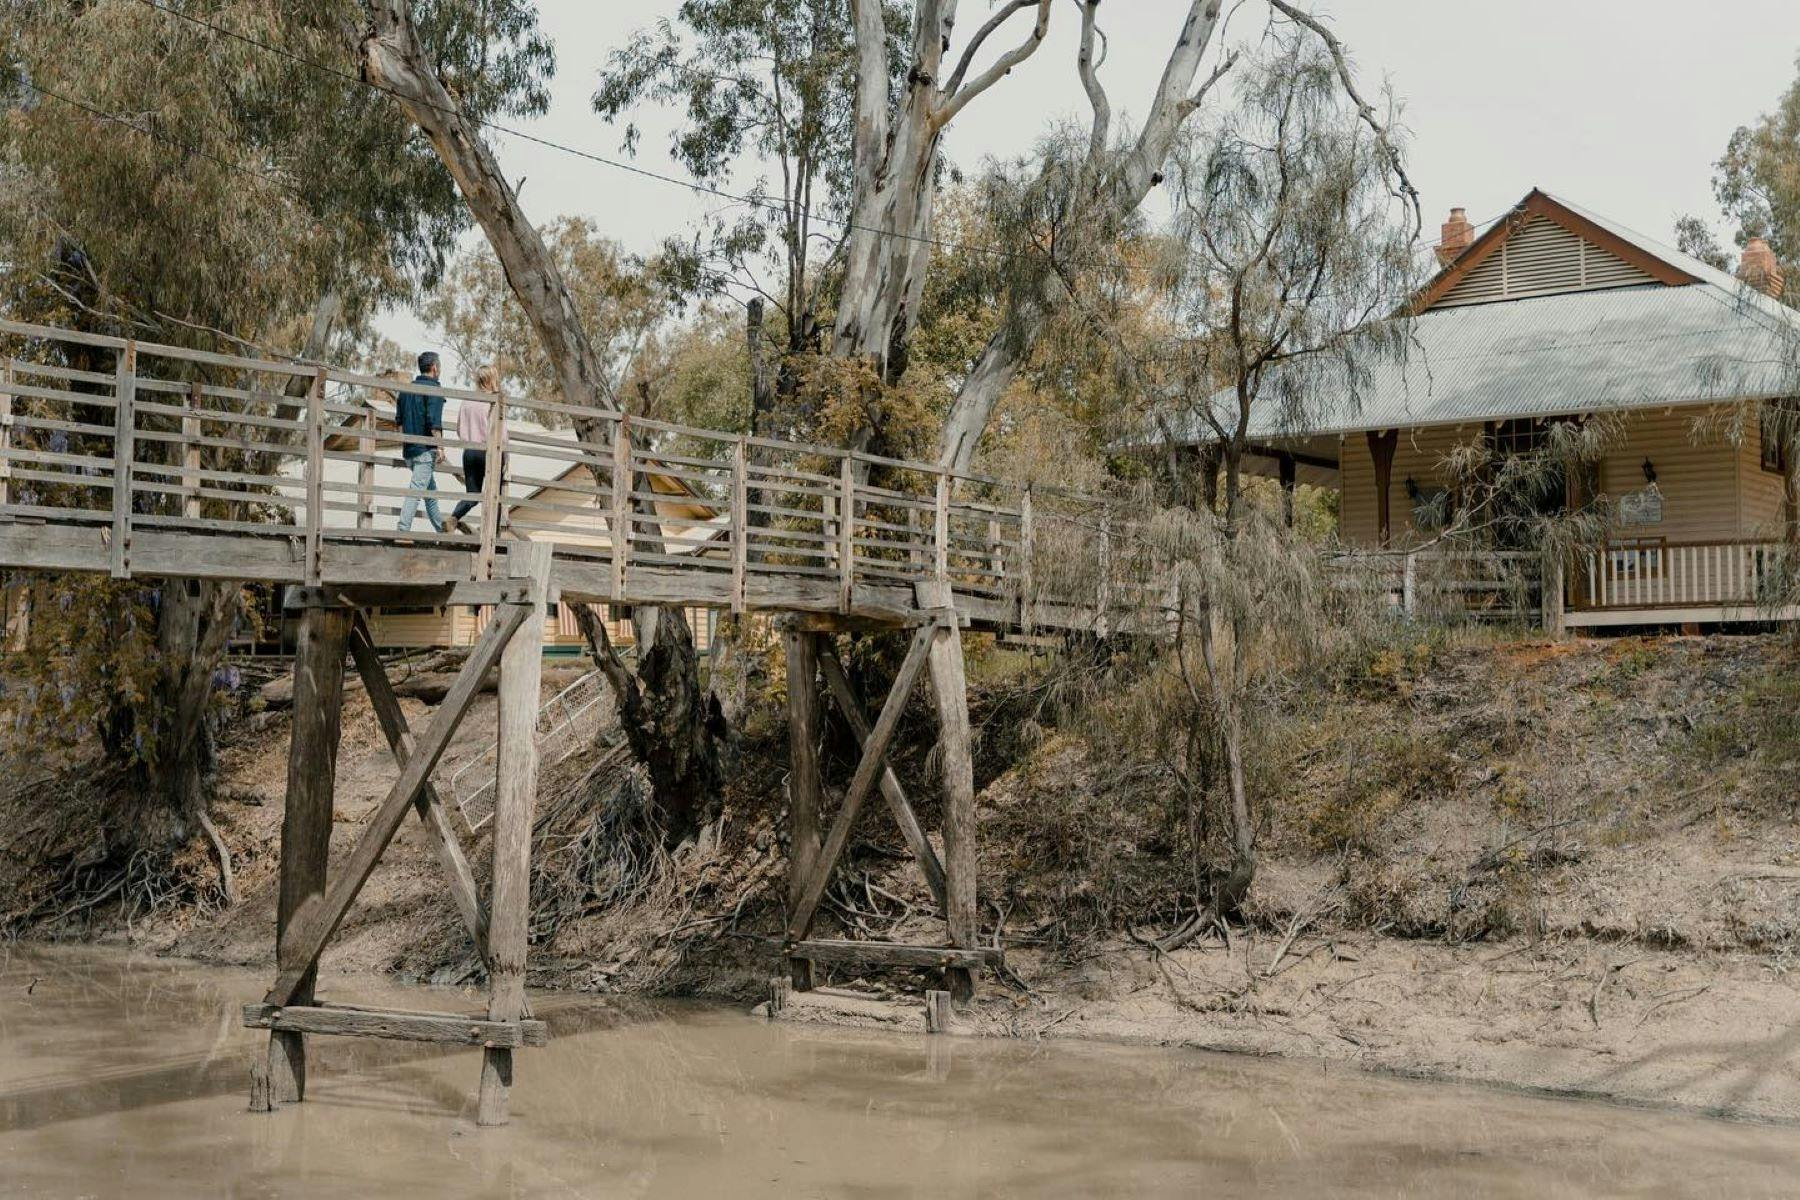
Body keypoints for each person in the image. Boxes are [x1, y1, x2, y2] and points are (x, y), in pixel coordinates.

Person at [395, 350, 446, 534]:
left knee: (430, 492)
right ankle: (402, 530)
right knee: (417, 490)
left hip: (409, 451)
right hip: (425, 451)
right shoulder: (434, 389)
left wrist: (406, 444)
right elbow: (434, 423)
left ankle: (442, 530)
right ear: (434, 368)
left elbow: (399, 423)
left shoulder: (406, 390)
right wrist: (440, 447)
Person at [451, 364, 501, 534]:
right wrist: (505, 458)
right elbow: (502, 433)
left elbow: (458, 429)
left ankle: (454, 517)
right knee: (496, 493)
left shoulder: (466, 401)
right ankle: (492, 532)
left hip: (469, 452)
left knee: (473, 495)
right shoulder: (494, 401)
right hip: (487, 451)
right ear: (490, 380)